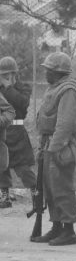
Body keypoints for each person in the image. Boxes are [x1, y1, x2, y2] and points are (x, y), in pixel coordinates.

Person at [30, 52, 76, 246]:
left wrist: (54, 148)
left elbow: (65, 123)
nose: (46, 73)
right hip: (49, 144)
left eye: (49, 70)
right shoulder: (55, 88)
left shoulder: (68, 90)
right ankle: (57, 226)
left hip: (60, 146)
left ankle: (69, 230)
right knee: (50, 189)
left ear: (59, 72)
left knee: (62, 188)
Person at [0, 56, 35, 208]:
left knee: (22, 166)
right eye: (3, 75)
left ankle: (36, 194)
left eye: (9, 74)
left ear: (15, 74)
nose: (6, 77)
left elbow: (22, 104)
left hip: (17, 131)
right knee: (2, 165)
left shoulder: (23, 88)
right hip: (3, 130)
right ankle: (5, 196)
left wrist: (8, 88)